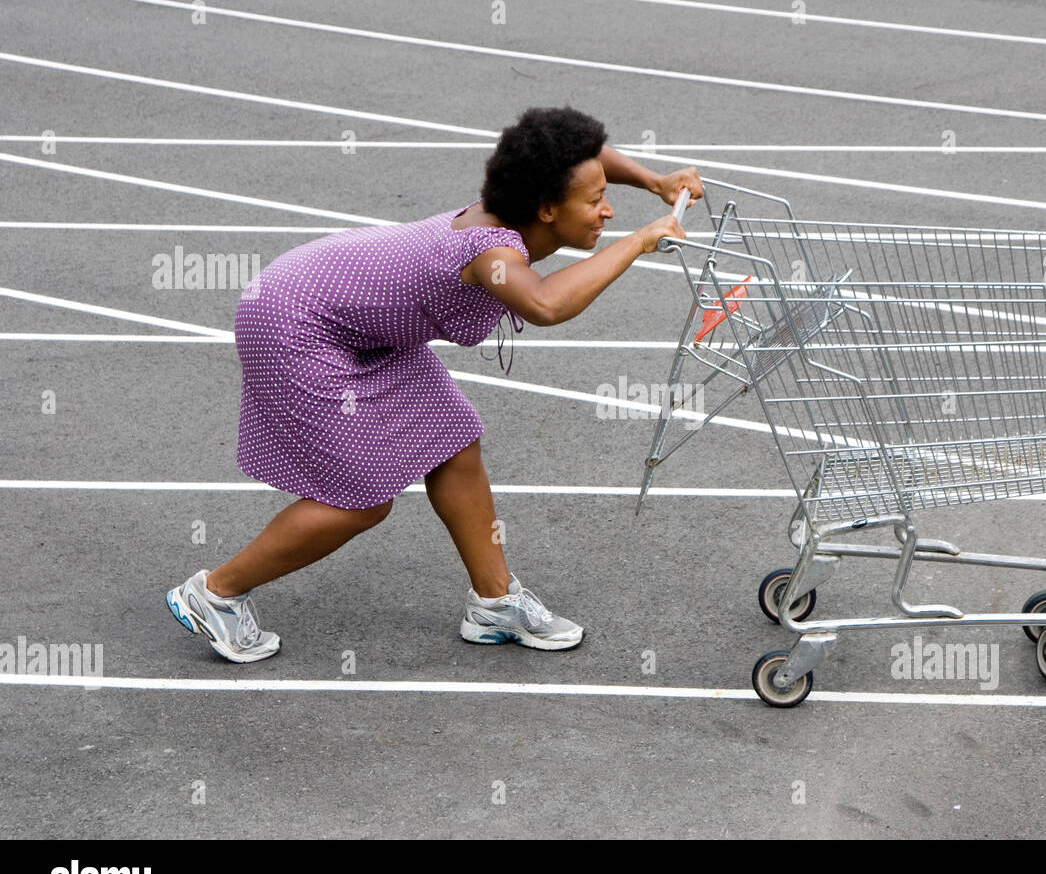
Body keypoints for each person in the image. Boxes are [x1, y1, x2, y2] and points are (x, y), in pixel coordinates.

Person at [166, 106, 702, 662]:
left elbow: (584, 163)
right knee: (361, 500)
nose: (607, 209)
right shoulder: (490, 253)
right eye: (595, 202)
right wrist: (639, 241)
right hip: (294, 320)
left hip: (356, 322)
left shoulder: (526, 199)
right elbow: (544, 304)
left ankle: (496, 604)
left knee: (452, 441)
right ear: (546, 209)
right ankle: (214, 595)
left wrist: (655, 181)